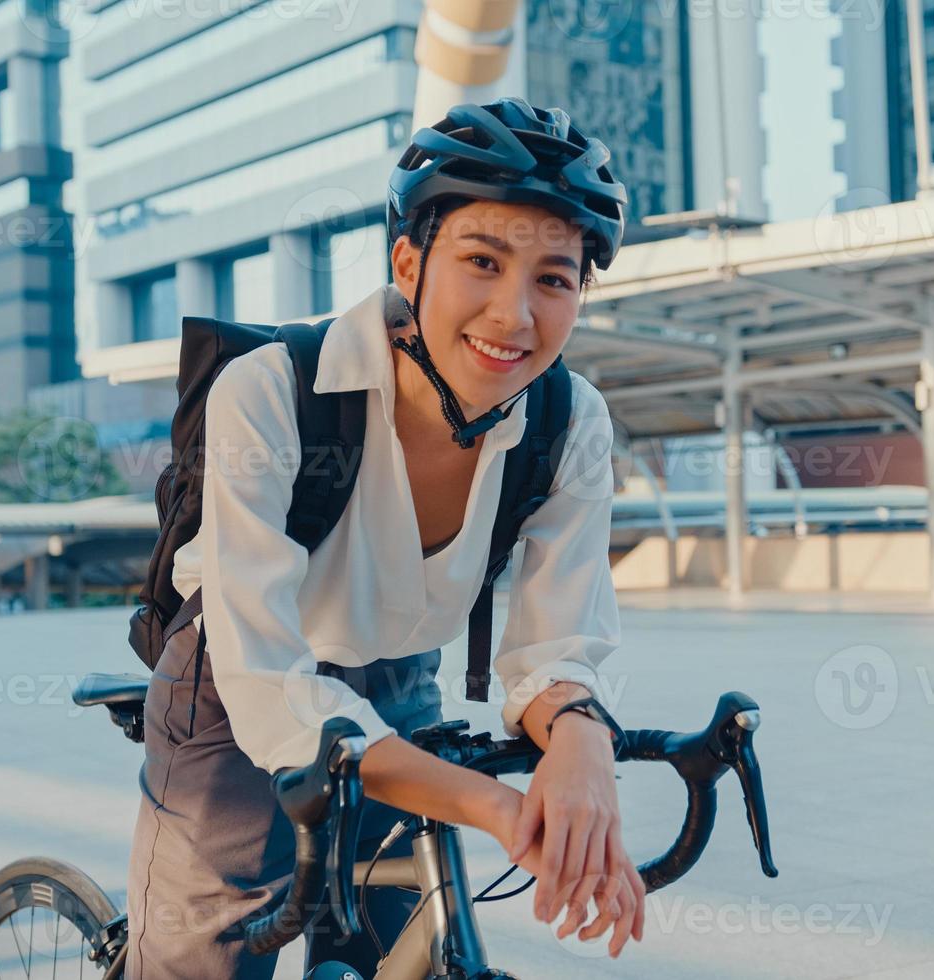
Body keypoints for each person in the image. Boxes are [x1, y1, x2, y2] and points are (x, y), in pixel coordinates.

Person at [125, 97, 640, 978]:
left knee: (391, 944)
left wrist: (584, 745)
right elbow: (267, 686)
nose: (515, 315)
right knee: (212, 948)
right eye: (482, 261)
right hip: (235, 676)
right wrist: (495, 808)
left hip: (396, 674)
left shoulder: (568, 420)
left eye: (555, 278)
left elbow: (555, 644)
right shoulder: (271, 392)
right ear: (410, 261)